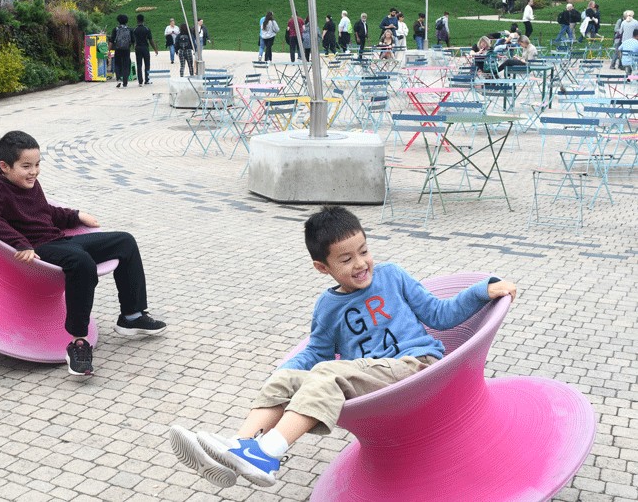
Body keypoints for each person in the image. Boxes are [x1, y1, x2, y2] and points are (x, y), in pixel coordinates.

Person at [169, 206, 517, 488]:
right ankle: (237, 447)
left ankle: (268, 453)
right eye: (346, 259)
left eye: (364, 251)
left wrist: (480, 291)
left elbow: (439, 315)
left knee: (326, 374)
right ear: (323, 267)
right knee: (288, 379)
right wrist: (286, 370)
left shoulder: (392, 276)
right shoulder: (328, 306)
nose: (361, 263)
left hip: (415, 365)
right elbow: (318, 351)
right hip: (367, 376)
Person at [0, 131, 167, 376]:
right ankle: (78, 341)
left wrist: (75, 215)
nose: (34, 172)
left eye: (37, 165)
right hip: (40, 250)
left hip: (60, 241)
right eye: (26, 166)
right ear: (5, 166)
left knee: (125, 241)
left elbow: (45, 212)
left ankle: (132, 315)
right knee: (81, 263)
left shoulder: (28, 183)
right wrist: (20, 243)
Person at [133, 14, 159, 87]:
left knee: (139, 65)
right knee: (147, 64)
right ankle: (147, 80)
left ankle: (140, 81)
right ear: (143, 20)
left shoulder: (135, 30)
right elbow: (150, 40)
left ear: (137, 20)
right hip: (145, 48)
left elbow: (134, 40)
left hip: (138, 48)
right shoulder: (147, 29)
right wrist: (155, 49)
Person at [110, 14, 133, 88]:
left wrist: (108, 50)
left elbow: (111, 41)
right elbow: (132, 40)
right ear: (126, 21)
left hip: (118, 49)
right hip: (126, 49)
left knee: (117, 64)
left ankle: (118, 79)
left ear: (118, 21)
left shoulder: (115, 29)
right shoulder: (129, 29)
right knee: (126, 65)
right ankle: (125, 82)